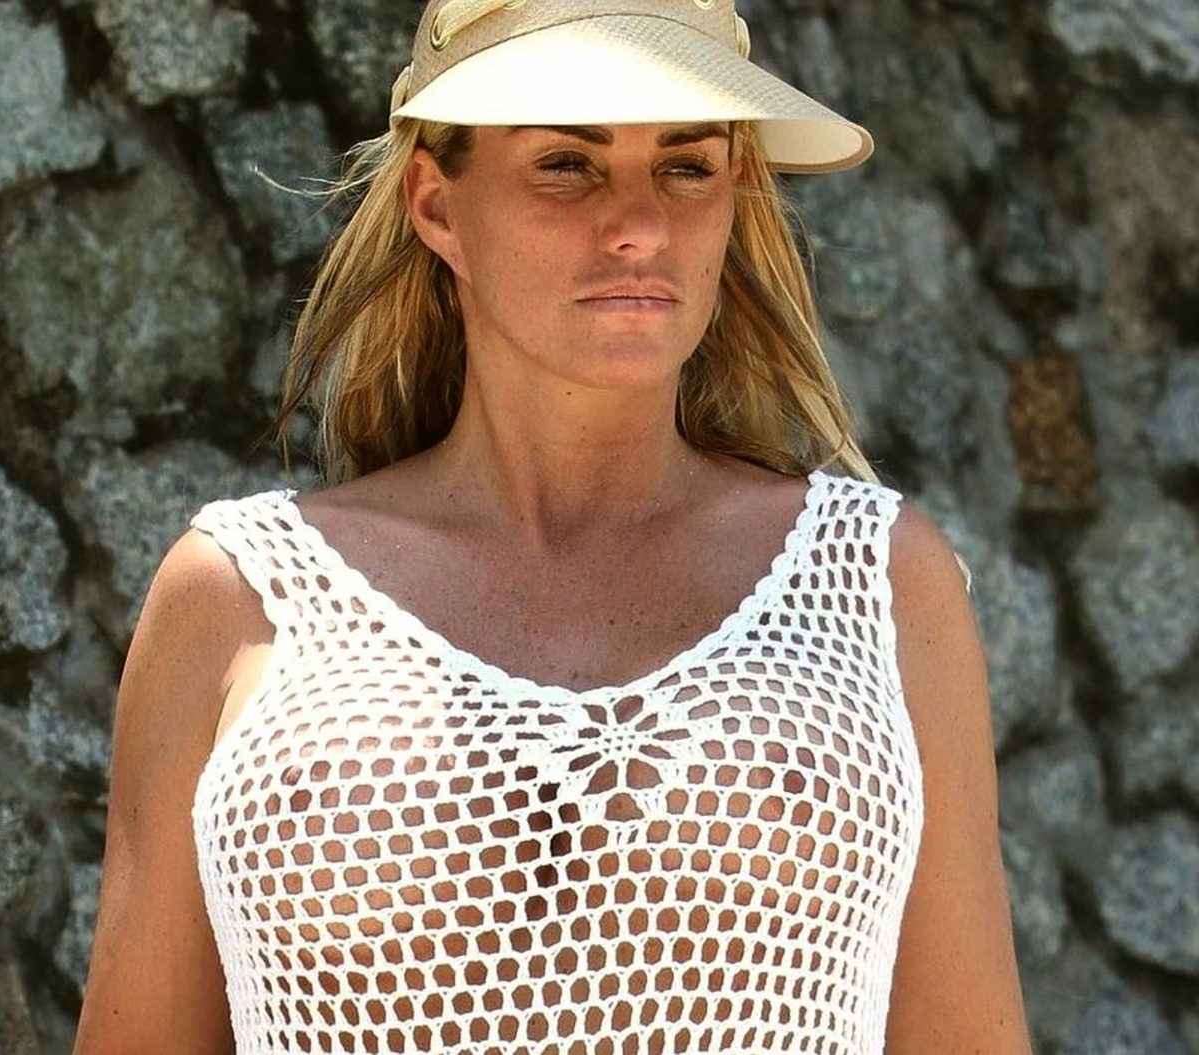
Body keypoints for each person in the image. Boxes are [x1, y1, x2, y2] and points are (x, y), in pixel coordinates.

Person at [74, 1, 1030, 1053]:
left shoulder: (876, 584)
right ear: (436, 204)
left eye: (687, 167)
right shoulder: (239, 598)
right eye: (568, 165)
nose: (639, 226)